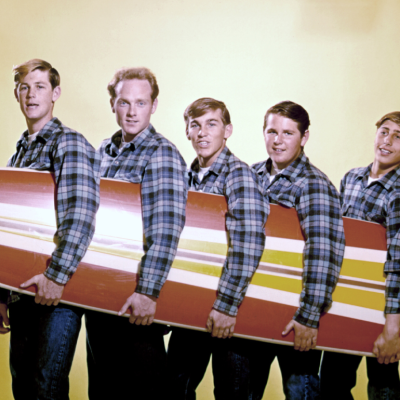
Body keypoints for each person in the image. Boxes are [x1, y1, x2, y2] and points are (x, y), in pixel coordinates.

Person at [84, 67, 187, 400]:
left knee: (144, 392)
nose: (131, 112)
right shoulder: (102, 152)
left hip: (136, 296)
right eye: (124, 102)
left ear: (153, 106)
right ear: (113, 104)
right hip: (100, 295)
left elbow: (167, 229)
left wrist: (148, 292)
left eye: (140, 103)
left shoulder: (162, 153)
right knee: (103, 391)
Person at [0, 59, 100, 400]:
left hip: (58, 293)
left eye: (40, 86)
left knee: (46, 388)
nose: (31, 94)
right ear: (16, 93)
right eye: (25, 87)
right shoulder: (18, 155)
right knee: (23, 388)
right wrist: (3, 294)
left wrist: (56, 277)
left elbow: (81, 214)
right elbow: (9, 232)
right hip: (22, 293)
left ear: (55, 93)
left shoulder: (68, 142)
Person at [167, 97, 268, 399]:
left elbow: (248, 242)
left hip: (230, 310)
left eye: (212, 124)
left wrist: (225, 306)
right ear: (186, 131)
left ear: (228, 130)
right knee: (173, 389)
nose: (202, 132)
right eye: (195, 125)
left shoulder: (239, 175)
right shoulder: (183, 177)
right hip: (190, 308)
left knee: (232, 394)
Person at [243, 100, 345, 399]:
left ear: (304, 137)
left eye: (288, 133)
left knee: (301, 393)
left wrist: (309, 316)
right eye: (272, 131)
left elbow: (324, 251)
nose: (277, 141)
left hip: (295, 315)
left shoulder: (314, 185)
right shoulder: (250, 175)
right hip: (254, 310)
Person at [320, 112, 400, 400]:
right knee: (331, 382)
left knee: (383, 382)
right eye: (384, 131)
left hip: (384, 302)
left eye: (398, 136)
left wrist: (394, 326)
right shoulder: (351, 177)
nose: (388, 140)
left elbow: (398, 261)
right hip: (346, 300)